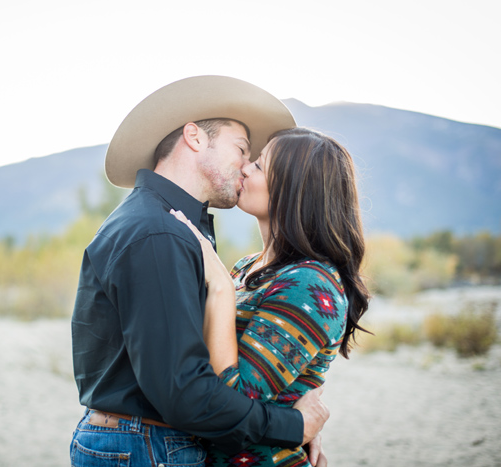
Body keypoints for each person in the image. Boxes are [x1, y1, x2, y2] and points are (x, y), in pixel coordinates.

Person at [70, 76, 330, 466]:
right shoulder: (159, 234)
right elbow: (185, 392)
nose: (246, 167)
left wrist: (296, 401)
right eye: (241, 149)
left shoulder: (166, 226)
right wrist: (293, 426)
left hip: (141, 442)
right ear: (194, 137)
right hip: (147, 446)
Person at [171, 127, 371, 466]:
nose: (245, 167)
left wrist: (219, 285)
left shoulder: (308, 283)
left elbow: (231, 401)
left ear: (296, 190)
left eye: (260, 166)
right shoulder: (248, 267)